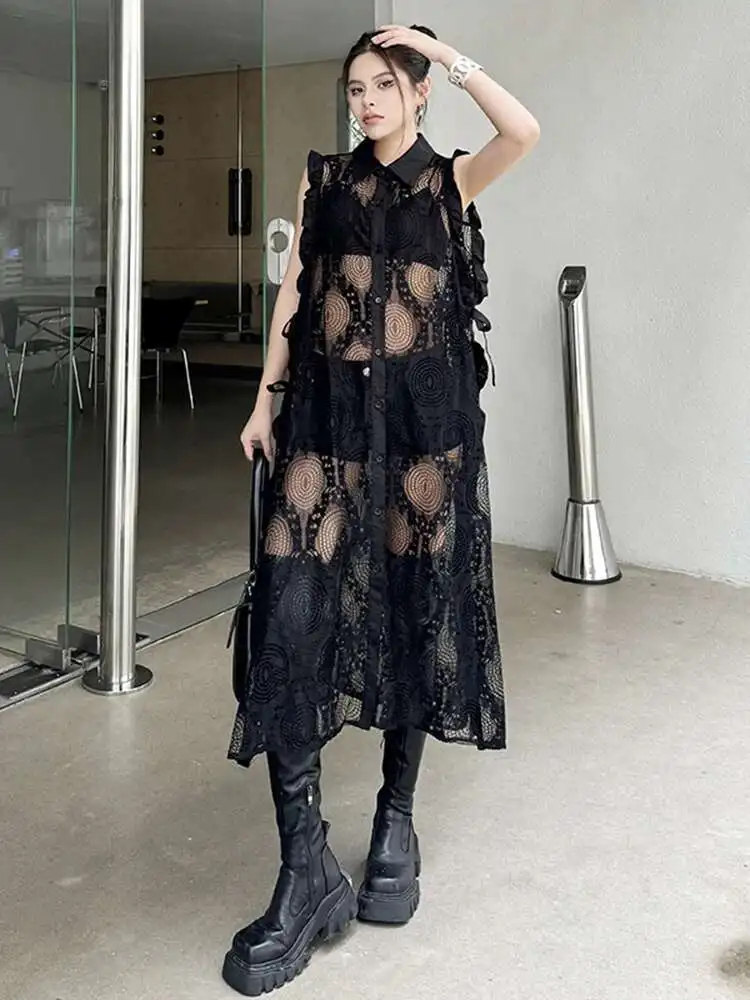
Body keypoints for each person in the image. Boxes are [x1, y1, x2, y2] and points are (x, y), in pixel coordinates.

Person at [222, 24, 540, 997]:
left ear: (416, 92)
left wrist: (448, 57)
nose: (364, 101)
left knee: (413, 615)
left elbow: (524, 131)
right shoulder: (324, 183)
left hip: (421, 436)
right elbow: (295, 292)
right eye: (355, 87)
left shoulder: (449, 184)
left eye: (382, 85)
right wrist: (264, 399)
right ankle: (305, 865)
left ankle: (395, 818)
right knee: (288, 621)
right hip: (323, 428)